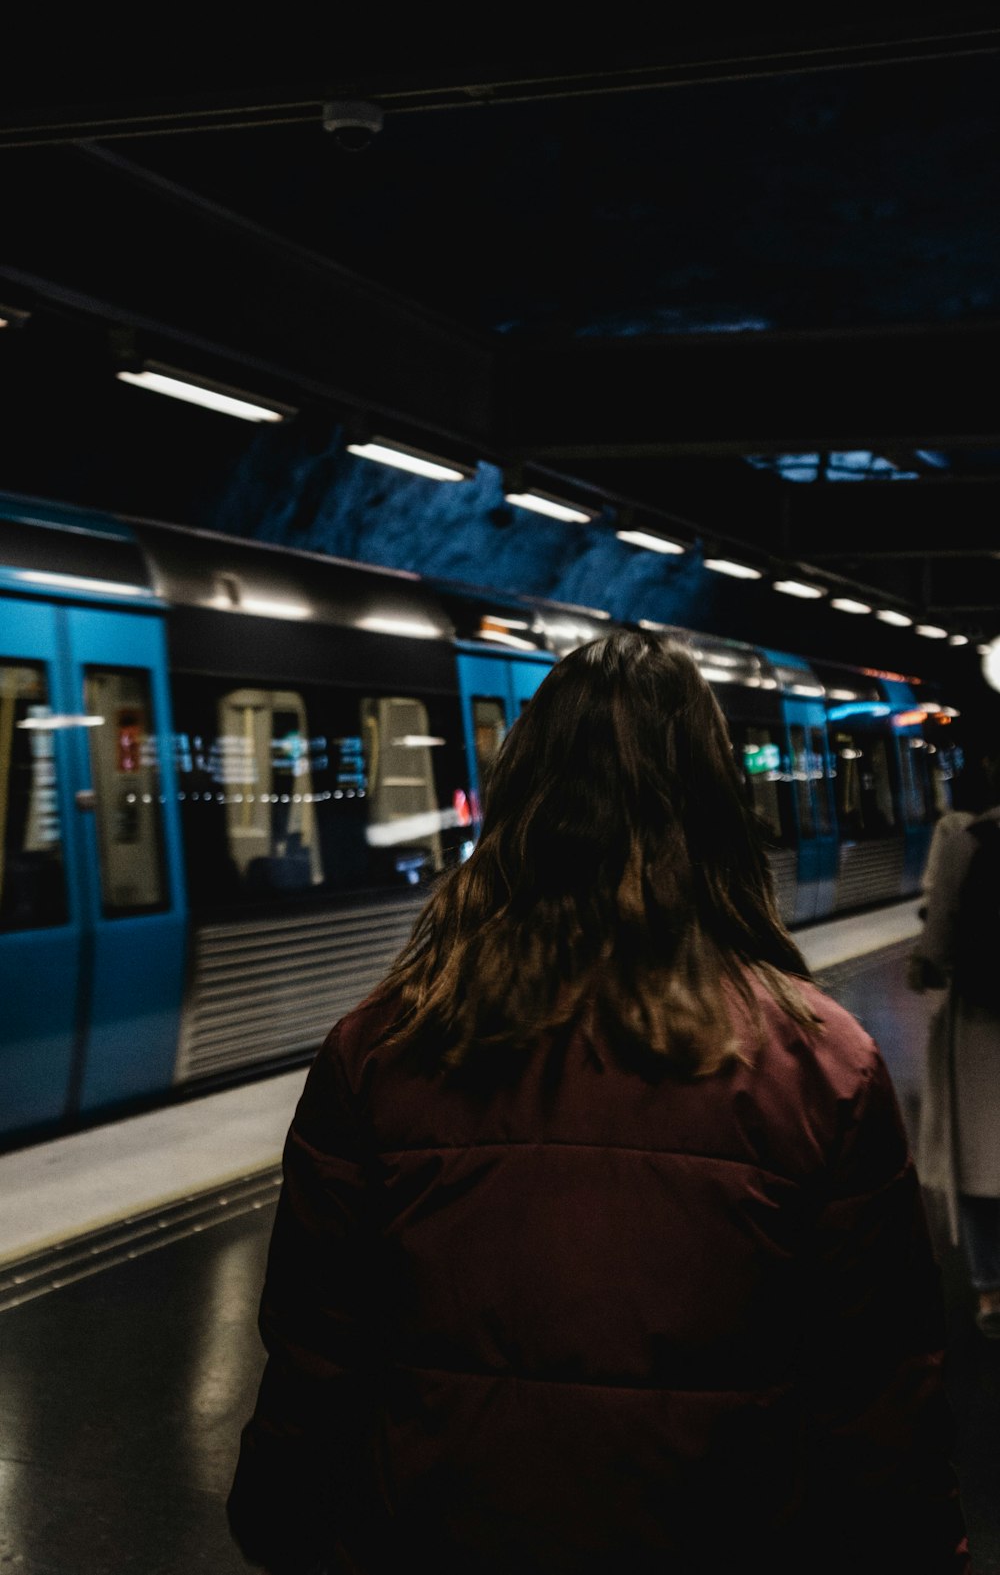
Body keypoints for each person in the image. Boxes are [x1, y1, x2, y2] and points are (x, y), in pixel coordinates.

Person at [228, 632, 970, 1575]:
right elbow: (880, 1402)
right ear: (715, 809)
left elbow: (317, 1360)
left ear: (519, 799)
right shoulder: (825, 1068)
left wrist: (284, 1523)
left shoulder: (379, 1052)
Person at [911, 748, 1000, 1340]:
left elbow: (934, 953)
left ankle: (991, 1294)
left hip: (980, 1029)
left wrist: (926, 962)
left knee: (981, 1165)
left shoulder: (965, 838)